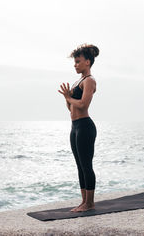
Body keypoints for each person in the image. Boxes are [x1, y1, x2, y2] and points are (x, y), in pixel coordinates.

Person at [58, 43, 99, 212]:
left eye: (78, 61)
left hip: (85, 127)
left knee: (86, 164)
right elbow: (71, 108)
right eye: (74, 62)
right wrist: (66, 99)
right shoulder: (78, 82)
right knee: (79, 165)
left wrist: (69, 97)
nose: (75, 65)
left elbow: (83, 105)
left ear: (87, 62)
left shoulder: (89, 81)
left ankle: (90, 203)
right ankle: (84, 201)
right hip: (74, 126)